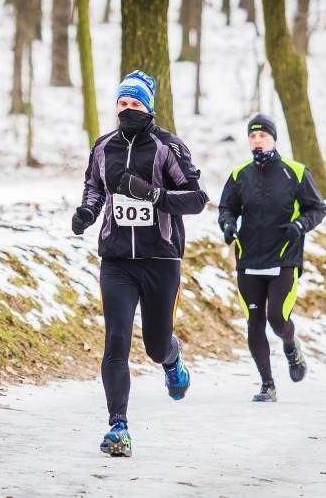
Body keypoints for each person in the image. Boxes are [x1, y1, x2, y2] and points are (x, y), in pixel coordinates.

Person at [71, 70, 208, 457]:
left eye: (135, 104)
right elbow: (95, 186)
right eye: (122, 103)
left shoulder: (168, 147)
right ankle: (119, 427)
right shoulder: (104, 147)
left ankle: (172, 357)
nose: (127, 110)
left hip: (161, 260)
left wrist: (151, 194)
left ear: (148, 107)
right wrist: (86, 212)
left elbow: (197, 198)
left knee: (155, 344)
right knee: (115, 340)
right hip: (117, 261)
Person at [218, 113, 326, 402]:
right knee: (254, 322)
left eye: (262, 135)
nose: (257, 140)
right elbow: (226, 208)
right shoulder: (240, 174)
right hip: (249, 259)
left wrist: (300, 225)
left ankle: (291, 346)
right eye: (252, 136)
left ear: (273, 138)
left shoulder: (296, 172)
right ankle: (267, 384)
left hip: (283, 258)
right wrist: (228, 226)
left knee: (277, 318)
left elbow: (317, 208)